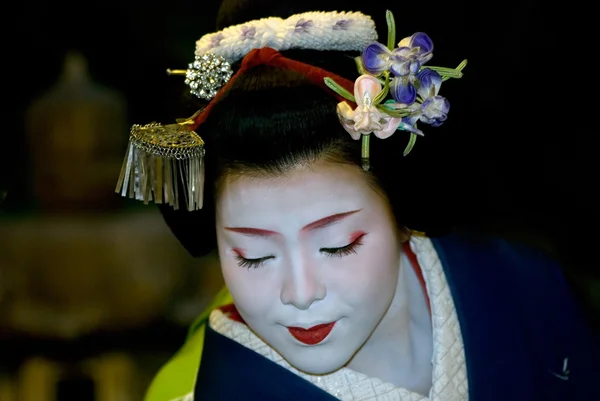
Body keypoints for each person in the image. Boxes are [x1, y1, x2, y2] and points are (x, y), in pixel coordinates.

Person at [117, 1, 599, 400]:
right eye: (254, 256)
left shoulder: (522, 287)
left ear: (402, 216)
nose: (301, 294)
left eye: (339, 245)